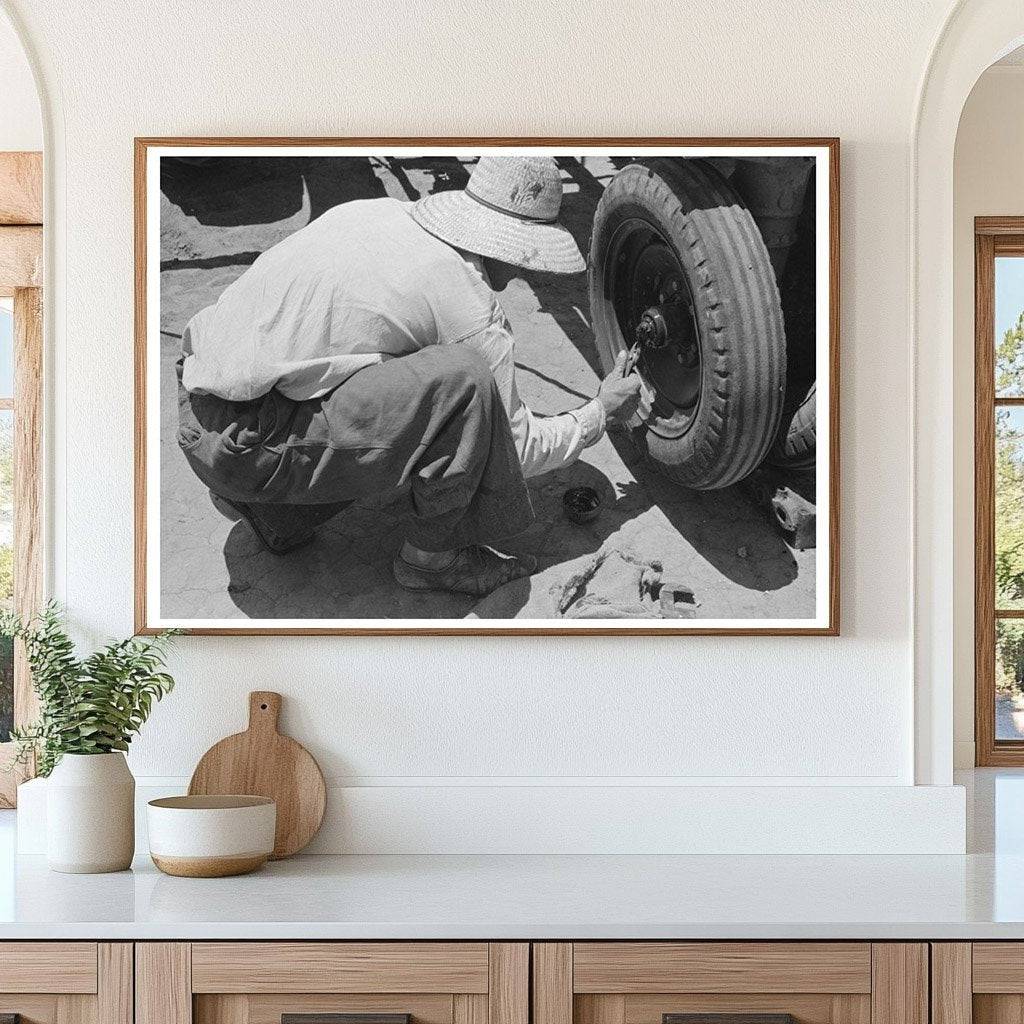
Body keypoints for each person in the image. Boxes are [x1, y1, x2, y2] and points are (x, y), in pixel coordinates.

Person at [176, 155, 642, 597]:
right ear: (514, 245)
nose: (521, 272)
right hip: (242, 448)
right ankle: (431, 561)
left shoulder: (378, 212)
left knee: (383, 374)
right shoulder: (473, 310)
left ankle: (278, 516)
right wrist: (598, 413)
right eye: (525, 258)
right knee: (463, 385)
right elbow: (516, 450)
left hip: (196, 403)